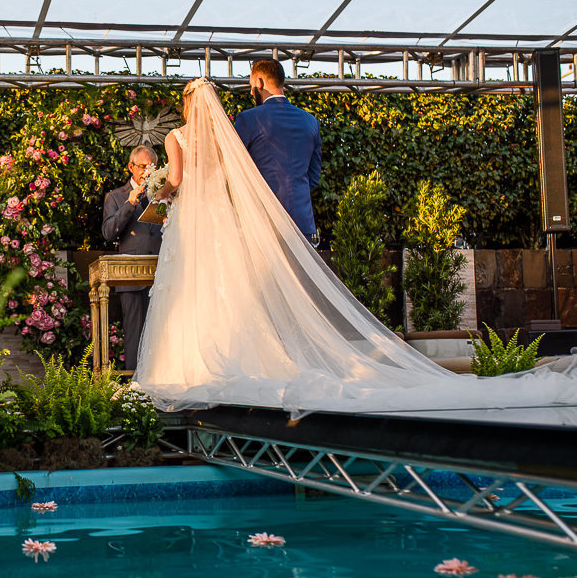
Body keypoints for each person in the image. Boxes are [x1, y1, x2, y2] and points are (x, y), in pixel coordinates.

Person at [134, 78, 576, 421]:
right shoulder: (246, 133)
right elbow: (295, 175)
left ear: (187, 104)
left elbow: (177, 180)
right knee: (233, 293)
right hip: (258, 221)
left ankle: (190, 366)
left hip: (201, 222)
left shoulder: (188, 135)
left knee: (194, 291)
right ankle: (254, 360)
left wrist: (156, 191)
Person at [232, 59, 321, 242]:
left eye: (251, 85)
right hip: (302, 222)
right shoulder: (310, 121)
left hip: (262, 222)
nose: (251, 91)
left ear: (259, 83)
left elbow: (233, 169)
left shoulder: (248, 119)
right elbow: (313, 177)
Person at [101, 145, 163, 371]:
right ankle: (134, 384)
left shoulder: (163, 193)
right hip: (131, 277)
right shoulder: (115, 196)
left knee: (163, 335)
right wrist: (130, 204)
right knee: (134, 336)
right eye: (142, 166)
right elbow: (108, 233)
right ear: (130, 166)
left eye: (151, 167)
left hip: (162, 274)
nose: (147, 171)